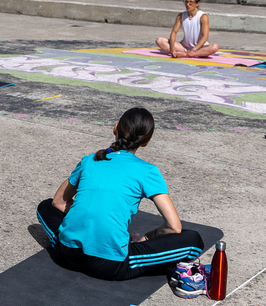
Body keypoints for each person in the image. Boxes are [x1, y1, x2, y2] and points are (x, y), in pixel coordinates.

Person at [37, 107, 204, 281]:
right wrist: (145, 238)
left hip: (66, 255)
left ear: (115, 128)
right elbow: (173, 226)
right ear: (146, 141)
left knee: (45, 206)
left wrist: (88, 221)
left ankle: (74, 236)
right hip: (109, 265)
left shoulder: (89, 160)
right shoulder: (148, 171)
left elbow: (57, 202)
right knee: (193, 240)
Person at [155, 0, 219, 58]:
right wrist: (172, 48)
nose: (187, 4)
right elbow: (174, 32)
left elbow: (205, 37)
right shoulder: (181, 15)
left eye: (190, 2)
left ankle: (187, 54)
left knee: (214, 47)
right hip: (184, 47)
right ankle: (183, 53)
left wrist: (194, 49)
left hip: (199, 48)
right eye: (186, 2)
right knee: (159, 40)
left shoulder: (203, 16)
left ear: (197, 3)